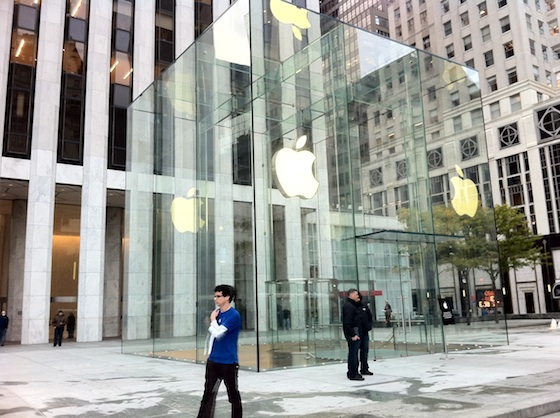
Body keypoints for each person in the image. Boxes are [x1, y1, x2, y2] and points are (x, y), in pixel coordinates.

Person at [197, 284, 242, 418]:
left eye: (218, 296)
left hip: (228, 362)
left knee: (233, 395)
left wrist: (212, 321)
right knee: (208, 394)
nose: (215, 299)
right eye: (215, 296)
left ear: (227, 297)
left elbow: (218, 333)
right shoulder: (217, 314)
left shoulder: (234, 315)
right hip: (213, 361)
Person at [342, 288, 363, 381]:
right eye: (356, 294)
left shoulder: (351, 305)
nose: (358, 296)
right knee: (353, 354)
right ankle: (353, 373)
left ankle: (353, 372)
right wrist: (353, 334)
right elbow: (348, 322)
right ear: (351, 295)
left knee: (354, 353)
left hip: (354, 331)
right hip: (353, 333)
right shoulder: (349, 306)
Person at [357, 293, 373, 375]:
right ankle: (355, 369)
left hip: (364, 332)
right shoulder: (352, 307)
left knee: (365, 351)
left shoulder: (364, 306)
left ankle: (364, 368)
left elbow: (369, 317)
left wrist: (369, 326)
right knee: (355, 351)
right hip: (356, 332)